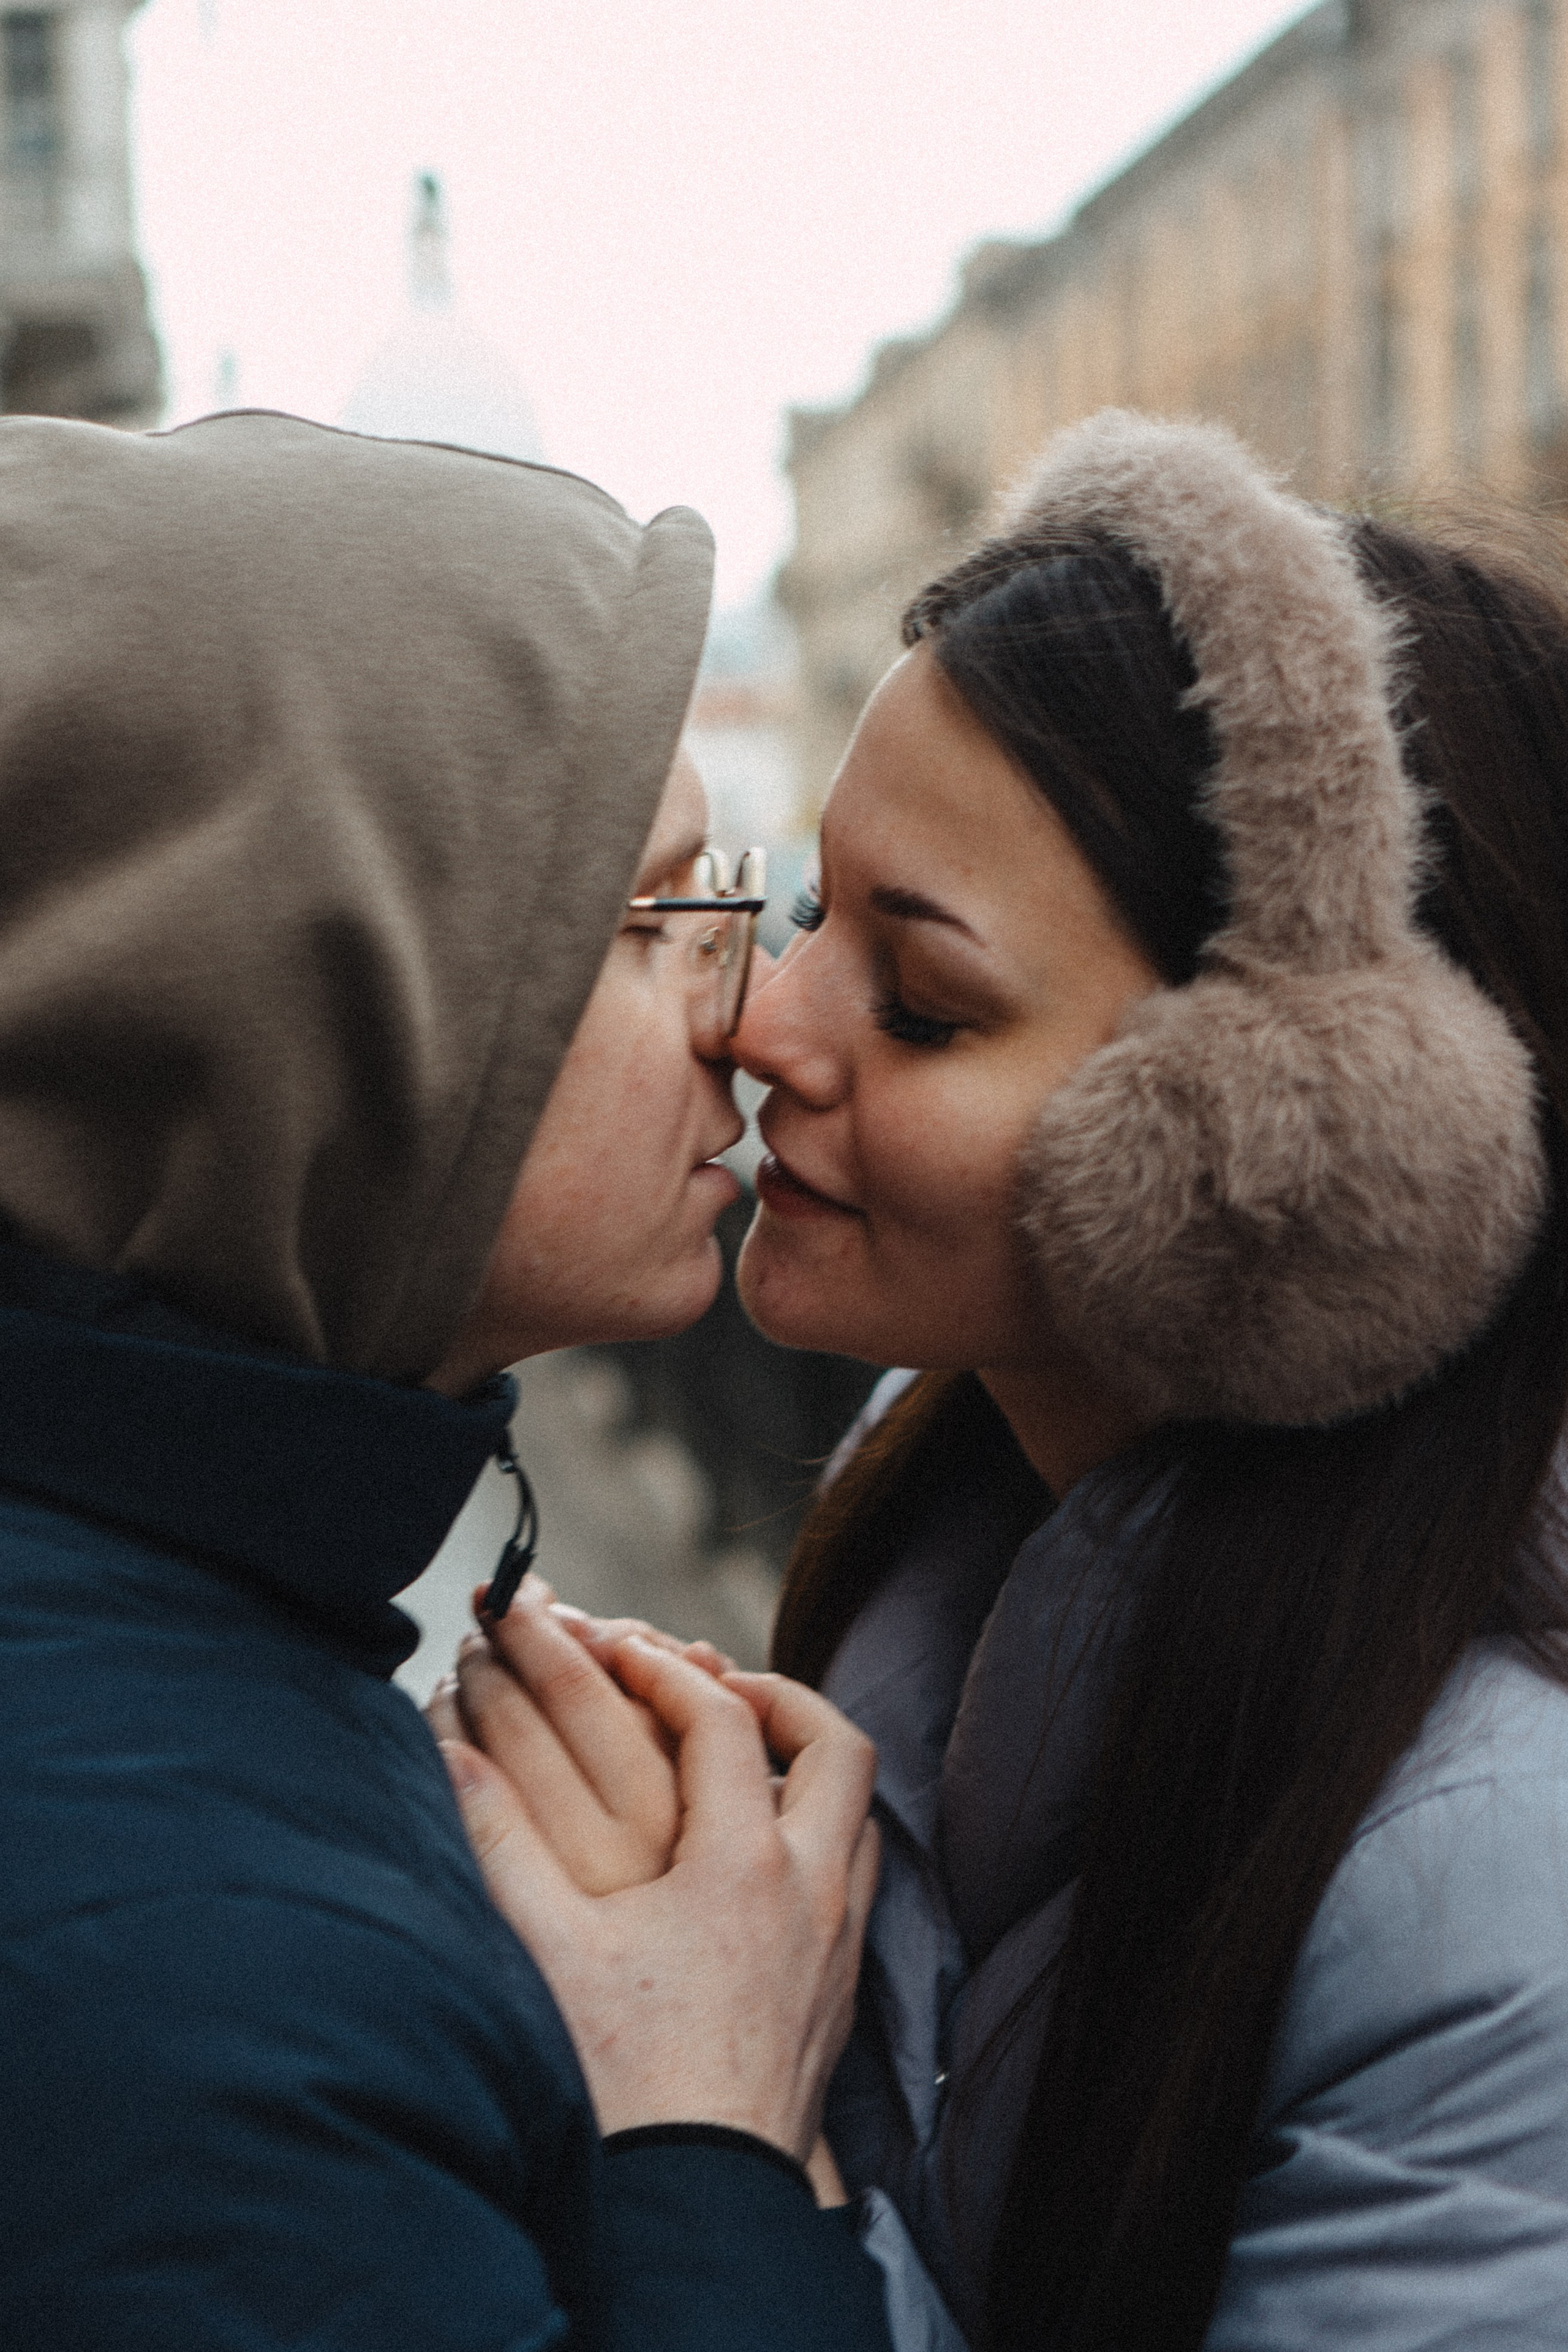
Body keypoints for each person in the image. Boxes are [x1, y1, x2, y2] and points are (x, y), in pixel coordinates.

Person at [447, 413, 1568, 2351]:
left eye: (924, 1001)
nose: (765, 1031)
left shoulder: (1498, 1891)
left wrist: (712, 2130)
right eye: (808, 915)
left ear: (1295, 1150)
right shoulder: (954, 1477)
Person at [0, 409, 892, 2352]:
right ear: (323, 1012)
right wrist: (707, 2136)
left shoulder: (162, 1628)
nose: (748, 1011)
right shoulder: (199, 1981)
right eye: (660, 916)